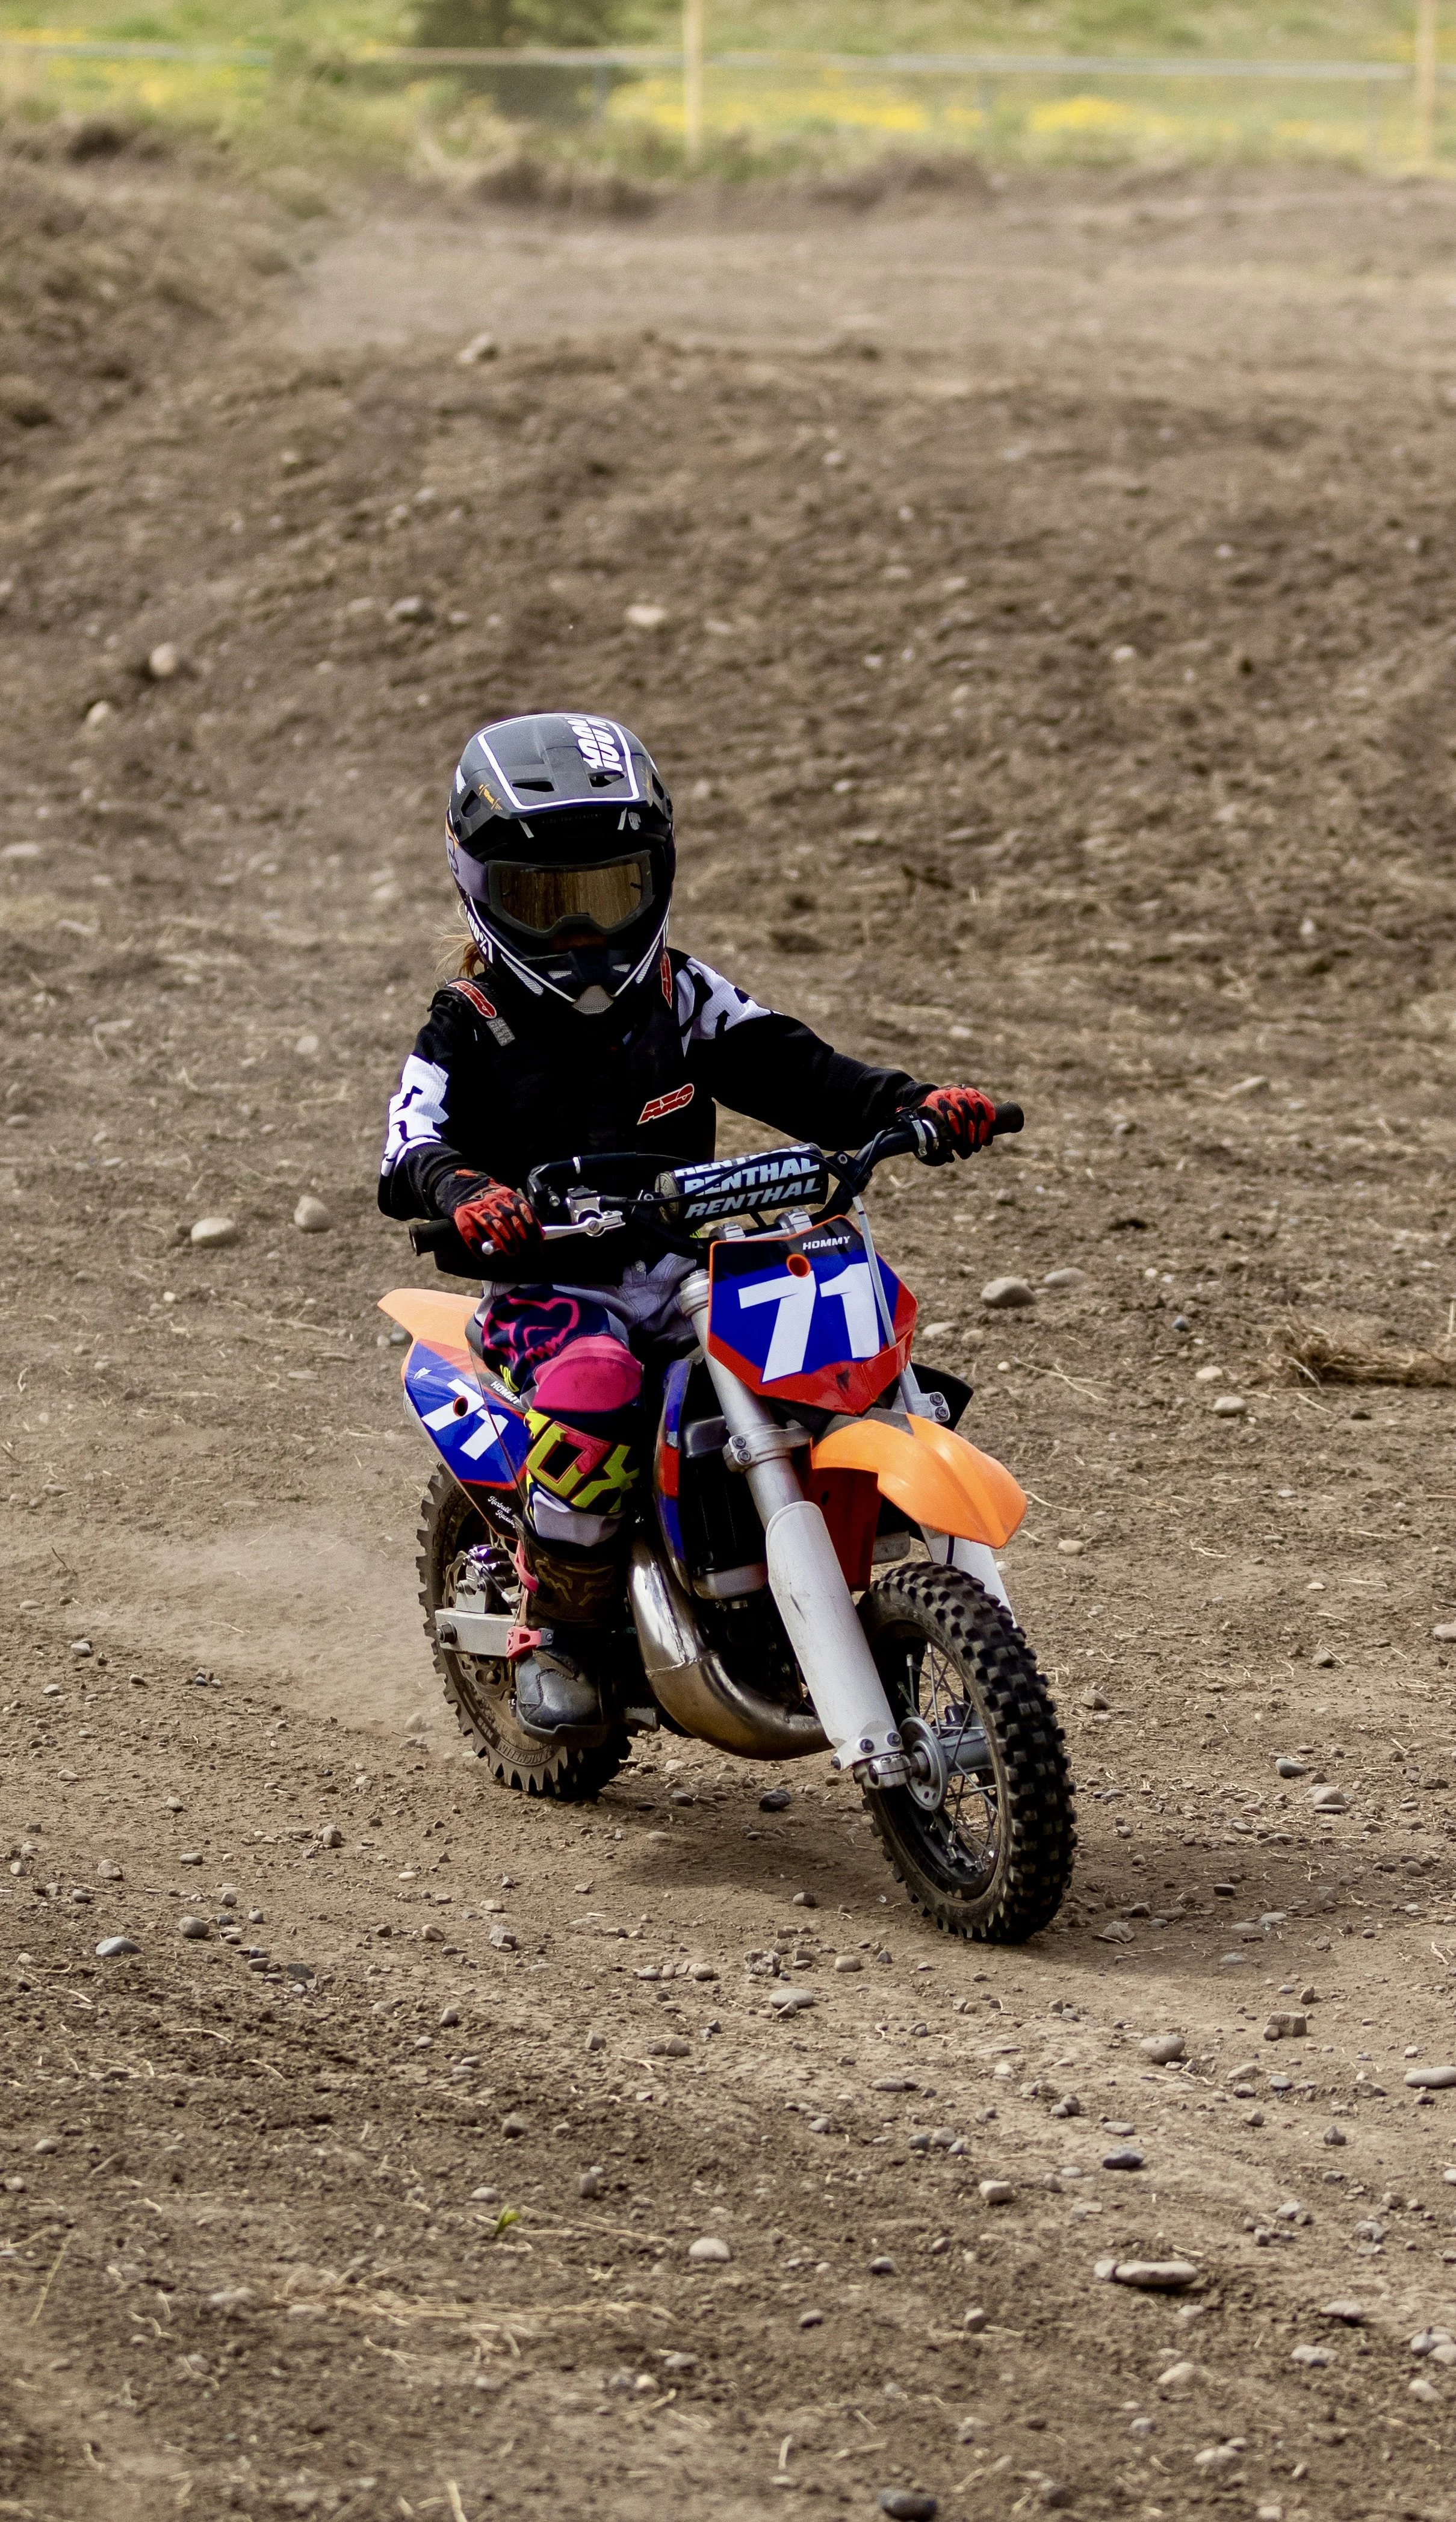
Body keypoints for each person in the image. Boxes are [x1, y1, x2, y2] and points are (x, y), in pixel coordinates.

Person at [379, 710, 999, 1744]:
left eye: (609, 892)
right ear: (480, 887)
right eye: (547, 899)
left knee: (830, 1338)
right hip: (551, 1288)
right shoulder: (469, 1021)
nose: (582, 932)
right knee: (596, 1390)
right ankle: (562, 1631)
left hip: (683, 1265)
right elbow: (411, 1145)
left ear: (656, 874)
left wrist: (914, 1106)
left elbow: (797, 1068)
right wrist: (462, 1193)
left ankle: (831, 1560)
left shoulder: (678, 991)